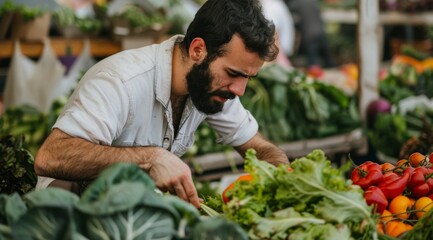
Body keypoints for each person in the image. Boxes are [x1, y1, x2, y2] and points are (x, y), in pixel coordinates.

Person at [34, 0, 290, 208]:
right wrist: (150, 158)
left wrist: (283, 180)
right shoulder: (121, 81)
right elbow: (50, 157)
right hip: (67, 216)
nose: (240, 90)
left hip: (129, 214)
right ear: (198, 51)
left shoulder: (210, 86)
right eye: (234, 73)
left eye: (247, 77)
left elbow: (262, 149)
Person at [260, 0, 296, 69]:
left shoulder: (271, 6)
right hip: (281, 52)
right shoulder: (277, 4)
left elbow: (272, 32)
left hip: (278, 54)